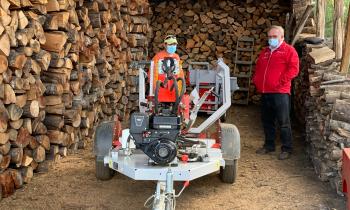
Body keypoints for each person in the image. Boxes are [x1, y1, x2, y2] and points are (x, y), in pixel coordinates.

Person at [253, 25, 300, 160]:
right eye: (270, 37)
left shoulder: (289, 50)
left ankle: (287, 148)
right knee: (267, 120)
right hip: (265, 92)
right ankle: (269, 145)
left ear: (282, 37)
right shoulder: (265, 52)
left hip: (280, 93)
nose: (271, 39)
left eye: (274, 37)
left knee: (283, 121)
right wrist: (256, 81)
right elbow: (259, 68)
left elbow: (294, 69)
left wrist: (280, 82)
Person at [150, 35, 185, 102]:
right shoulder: (158, 57)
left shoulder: (176, 57)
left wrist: (182, 88)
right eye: (170, 44)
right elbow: (153, 74)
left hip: (174, 89)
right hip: (161, 89)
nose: (172, 46)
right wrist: (154, 88)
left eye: (174, 44)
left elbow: (180, 73)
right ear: (165, 45)